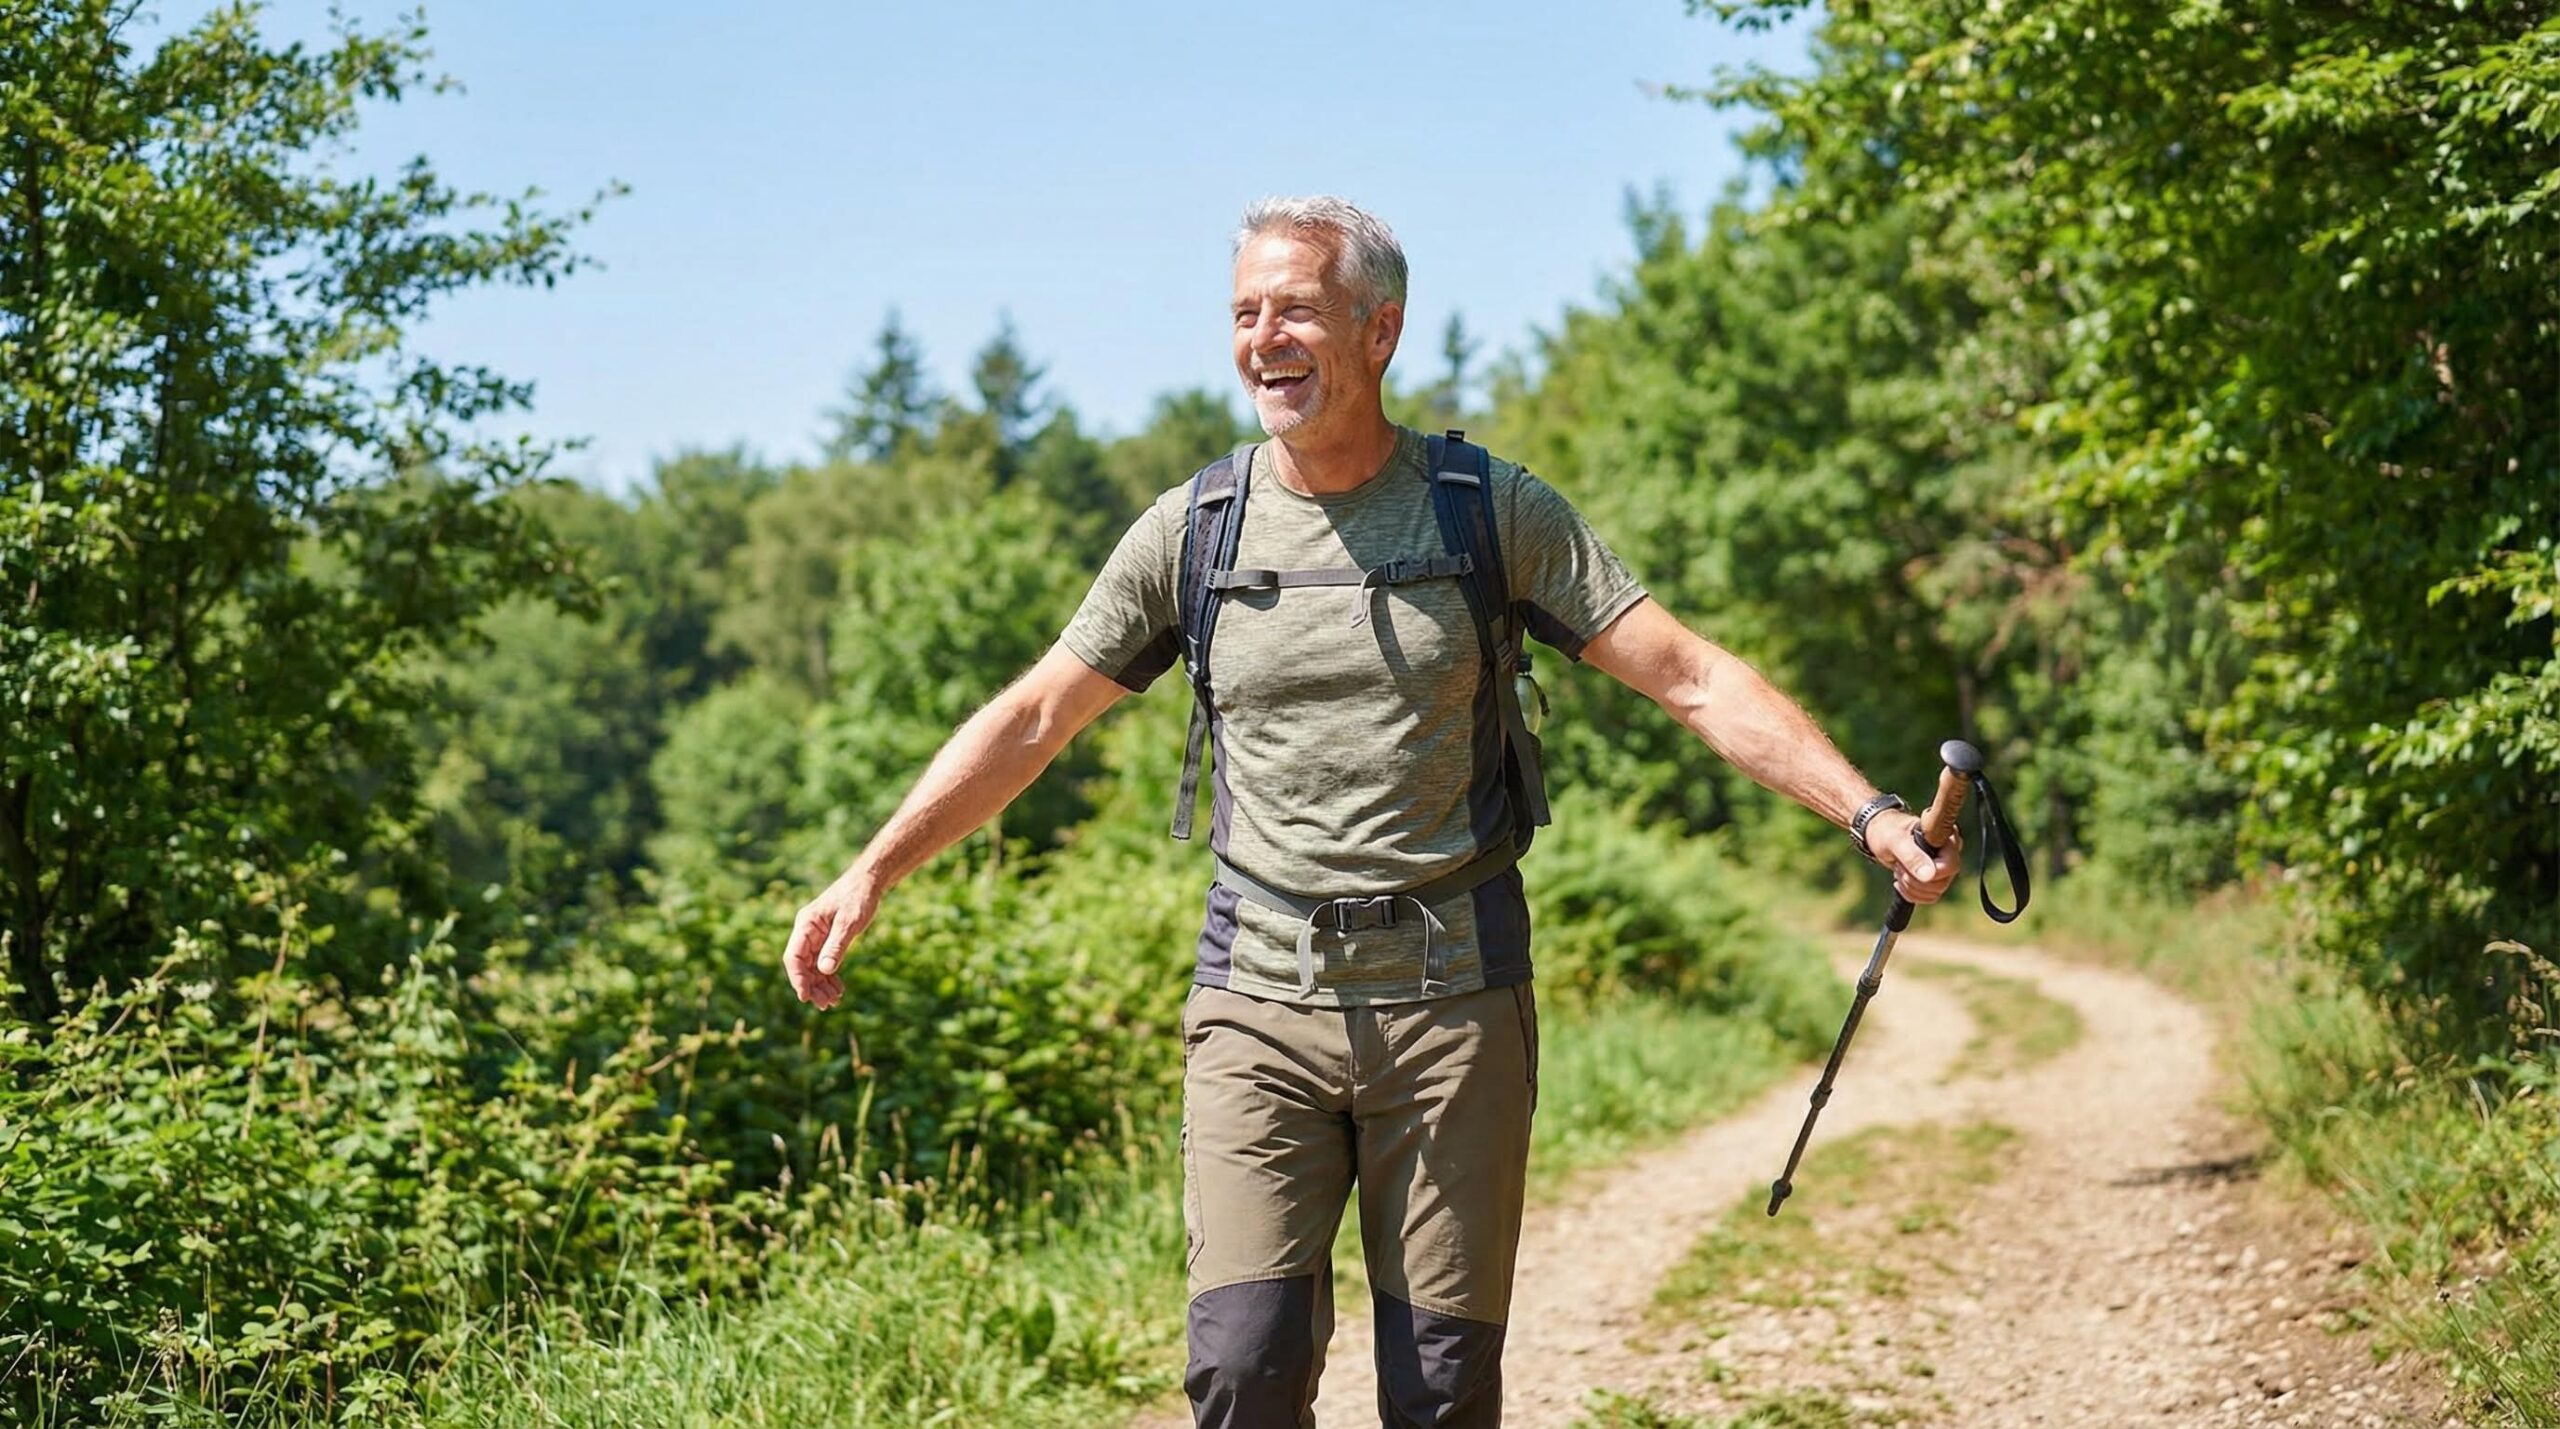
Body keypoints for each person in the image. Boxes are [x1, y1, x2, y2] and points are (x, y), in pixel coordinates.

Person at [782, 195, 1961, 1429]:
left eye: (1294, 308)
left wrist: (1869, 813)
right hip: (1259, 998)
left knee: (1440, 1390)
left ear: (1379, 329)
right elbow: (1034, 717)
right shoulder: (1194, 528)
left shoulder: (1484, 509)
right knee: (1242, 1366)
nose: (1263, 338)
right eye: (1244, 312)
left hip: (1454, 1001)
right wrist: (873, 869)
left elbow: (1689, 674)